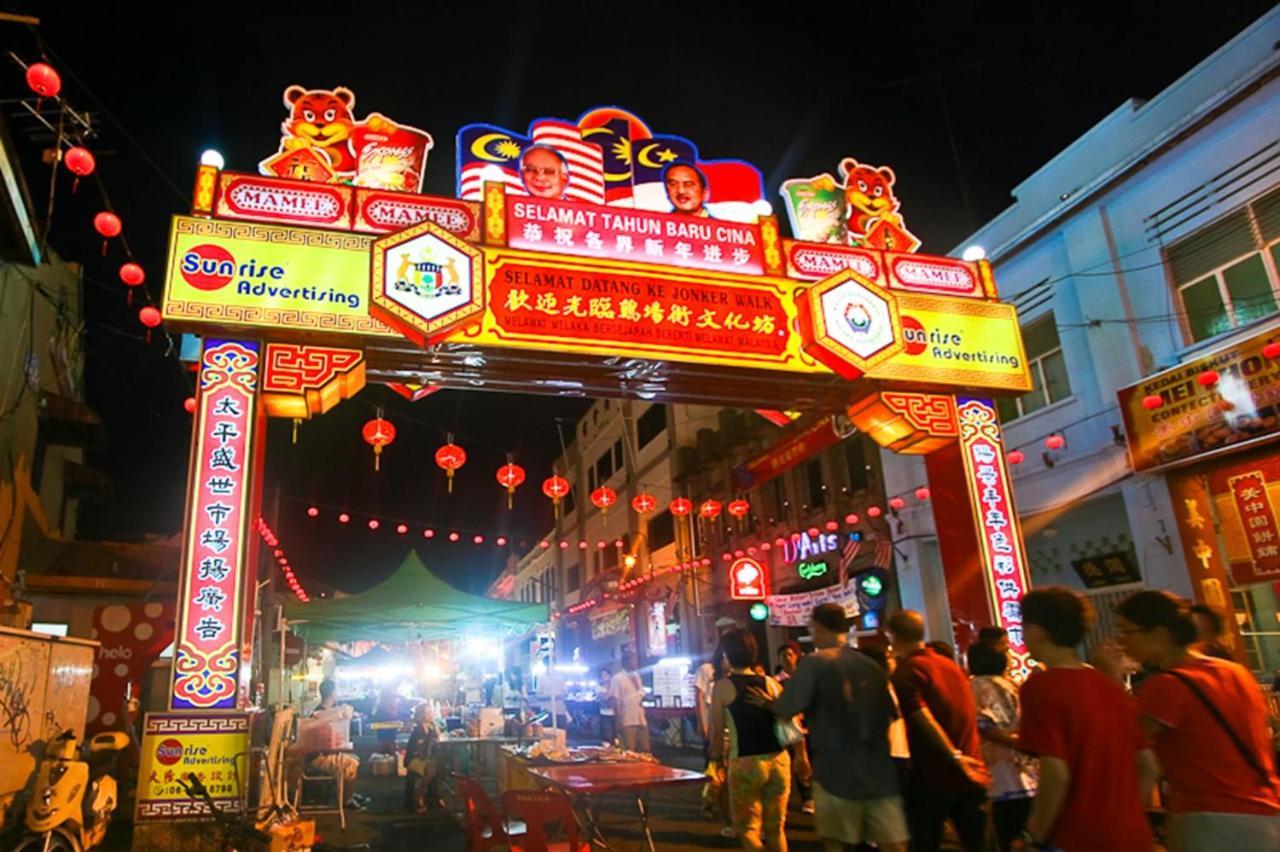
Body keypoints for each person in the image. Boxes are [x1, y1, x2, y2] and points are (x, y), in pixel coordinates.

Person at [1115, 590, 1280, 850]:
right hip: (1265, 812)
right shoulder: (1235, 672)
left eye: (1126, 632)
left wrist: (1110, 678)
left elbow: (1121, 739)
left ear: (1159, 633)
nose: (1121, 642)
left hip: (1210, 819)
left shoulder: (1167, 685)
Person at [752, 603, 907, 852]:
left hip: (836, 771)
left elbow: (786, 707)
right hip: (878, 771)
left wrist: (767, 703)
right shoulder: (869, 664)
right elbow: (891, 714)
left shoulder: (815, 663)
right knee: (891, 844)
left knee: (836, 841)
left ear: (817, 627)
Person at [1017, 587, 1156, 851]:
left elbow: (1056, 774)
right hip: (1132, 835)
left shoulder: (1041, 687)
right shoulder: (1109, 687)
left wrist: (1032, 837)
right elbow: (1149, 766)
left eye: (1024, 626)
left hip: (1076, 837)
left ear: (1037, 630)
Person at [886, 610, 990, 852]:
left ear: (893, 635)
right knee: (978, 843)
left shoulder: (908, 671)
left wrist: (953, 756)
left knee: (924, 842)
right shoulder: (948, 665)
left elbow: (923, 718)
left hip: (934, 775)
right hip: (971, 770)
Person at [709, 629, 791, 852]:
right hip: (779, 761)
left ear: (727, 655)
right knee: (776, 829)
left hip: (745, 762)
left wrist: (715, 762)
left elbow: (717, 732)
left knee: (747, 829)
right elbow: (789, 716)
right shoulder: (771, 683)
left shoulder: (723, 687)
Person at [967, 642, 1036, 852]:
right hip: (1024, 770)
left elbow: (984, 727)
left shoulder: (975, 686)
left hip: (998, 772)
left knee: (1004, 835)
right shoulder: (1011, 684)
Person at [299, 679, 366, 811]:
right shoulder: (323, 714)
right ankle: (347, 800)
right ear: (332, 694)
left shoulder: (324, 711)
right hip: (317, 757)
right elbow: (326, 741)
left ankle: (348, 793)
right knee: (352, 763)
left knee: (353, 759)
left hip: (320, 754)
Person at [776, 642, 814, 815]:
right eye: (783, 656)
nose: (786, 659)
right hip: (790, 729)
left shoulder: (806, 678)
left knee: (811, 760)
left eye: (790, 655)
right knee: (796, 760)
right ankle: (806, 796)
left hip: (809, 726)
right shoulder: (777, 682)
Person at [608, 651, 650, 753]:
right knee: (629, 750)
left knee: (645, 749)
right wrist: (618, 720)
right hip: (627, 719)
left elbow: (641, 693)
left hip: (640, 718)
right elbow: (615, 700)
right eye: (633, 660)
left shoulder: (637, 676)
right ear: (626, 661)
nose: (636, 662)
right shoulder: (617, 678)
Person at [404, 703, 442, 812]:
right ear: (421, 715)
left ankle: (436, 796)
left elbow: (438, 739)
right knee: (431, 768)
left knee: (440, 766)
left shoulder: (433, 726)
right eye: (428, 712)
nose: (431, 714)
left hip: (428, 757)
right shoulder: (418, 729)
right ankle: (420, 795)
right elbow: (418, 747)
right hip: (415, 758)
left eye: (431, 712)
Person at [597, 666, 615, 742]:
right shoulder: (599, 687)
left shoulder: (615, 686)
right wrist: (610, 689)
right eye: (603, 675)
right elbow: (605, 698)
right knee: (608, 735)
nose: (605, 677)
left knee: (615, 735)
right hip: (605, 713)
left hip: (615, 713)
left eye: (607, 675)